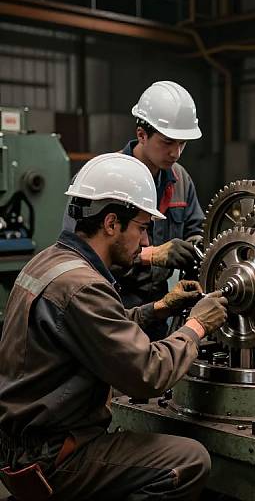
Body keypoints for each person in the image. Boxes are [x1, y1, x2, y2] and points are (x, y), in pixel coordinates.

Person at [0, 153, 228, 500]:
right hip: (51, 457)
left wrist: (159, 308)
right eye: (141, 227)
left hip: (22, 444)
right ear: (110, 223)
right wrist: (197, 326)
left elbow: (96, 332)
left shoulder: (52, 261)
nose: (147, 243)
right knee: (190, 460)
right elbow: (148, 373)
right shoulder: (83, 287)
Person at [64, 81, 205, 341]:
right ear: (141, 134)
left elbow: (196, 229)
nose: (176, 153)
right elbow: (76, 252)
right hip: (110, 303)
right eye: (167, 142)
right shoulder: (104, 178)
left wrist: (196, 243)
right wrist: (150, 255)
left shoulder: (180, 179)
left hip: (161, 305)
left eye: (182, 144)